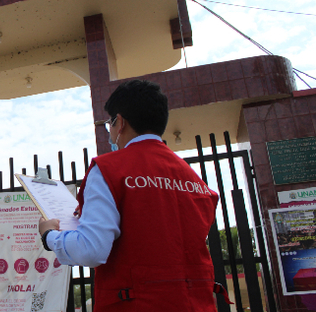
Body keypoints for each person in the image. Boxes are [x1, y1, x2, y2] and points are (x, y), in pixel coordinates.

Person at [38, 80, 224, 312]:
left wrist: (50, 236)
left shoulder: (109, 169)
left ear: (121, 122)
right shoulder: (195, 180)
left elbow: (91, 250)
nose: (110, 133)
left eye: (110, 125)